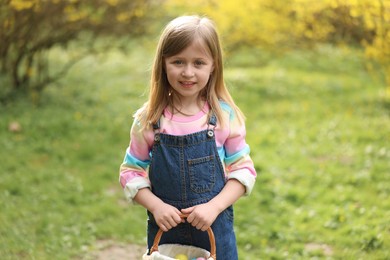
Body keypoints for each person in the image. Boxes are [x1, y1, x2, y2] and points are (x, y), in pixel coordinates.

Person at [119, 15, 256, 259]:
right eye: (178, 61)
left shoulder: (224, 117)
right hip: (166, 232)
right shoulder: (149, 119)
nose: (188, 72)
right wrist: (156, 206)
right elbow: (131, 172)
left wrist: (213, 207)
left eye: (199, 63)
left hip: (213, 228)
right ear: (163, 63)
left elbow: (243, 171)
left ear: (214, 65)